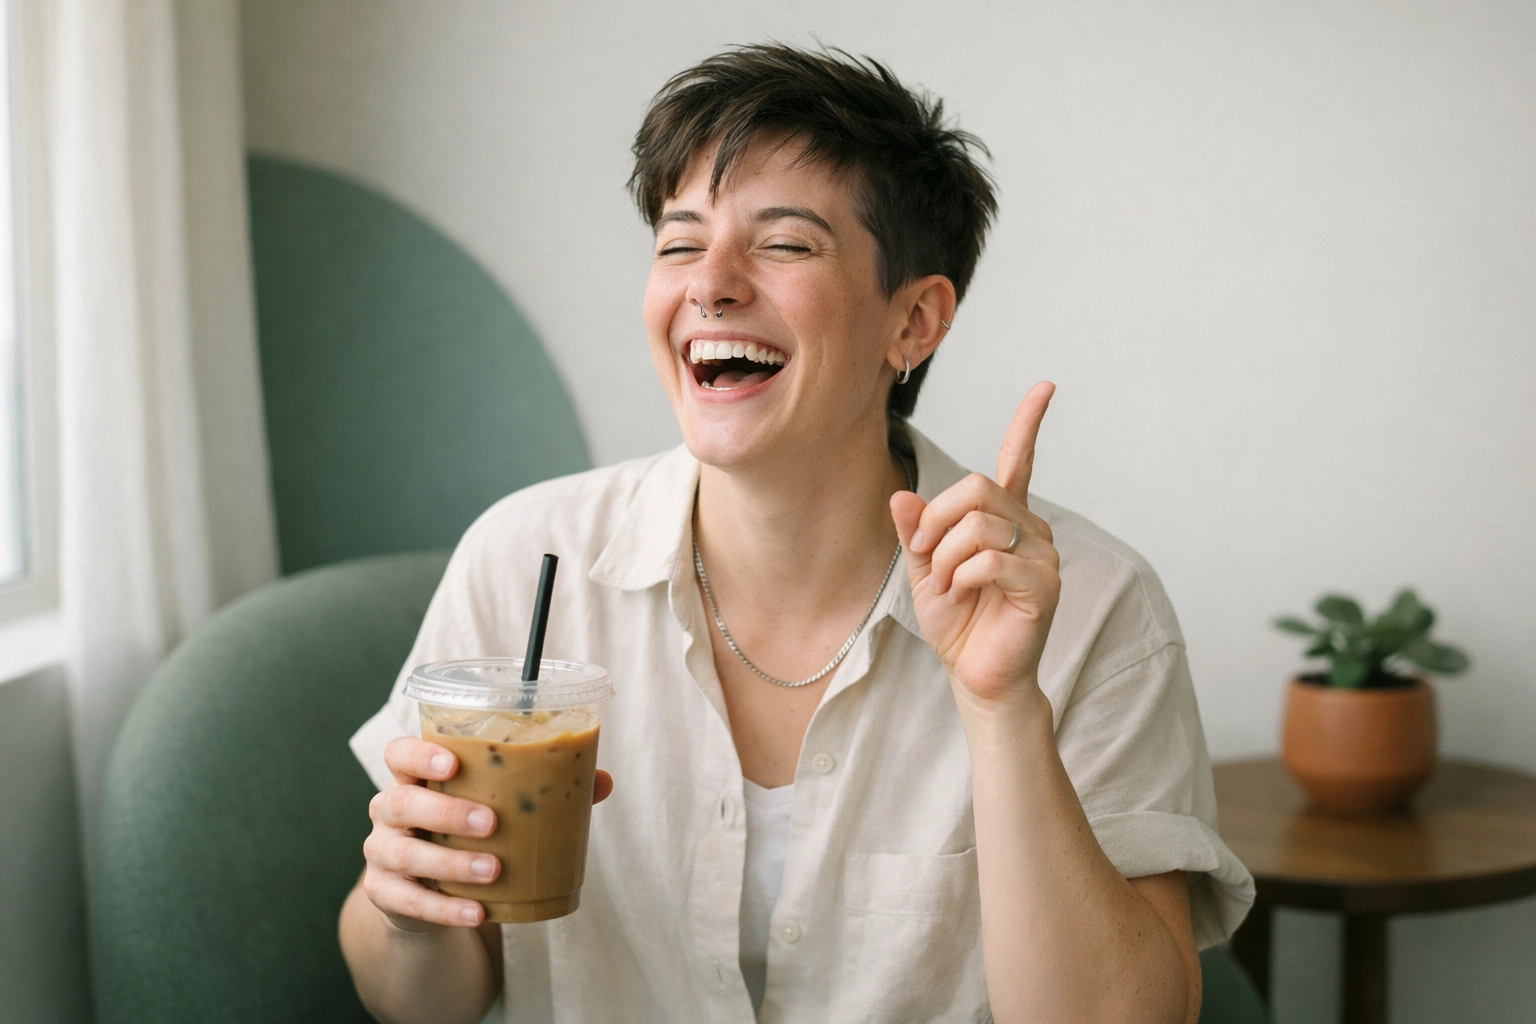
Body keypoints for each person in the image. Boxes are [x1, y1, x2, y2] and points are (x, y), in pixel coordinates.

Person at [338, 44, 1252, 1024]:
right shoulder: (525, 559)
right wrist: (412, 915)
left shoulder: (1092, 610)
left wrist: (1001, 709)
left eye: (785, 244)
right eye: (680, 243)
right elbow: (420, 1006)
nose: (712, 285)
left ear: (914, 322)